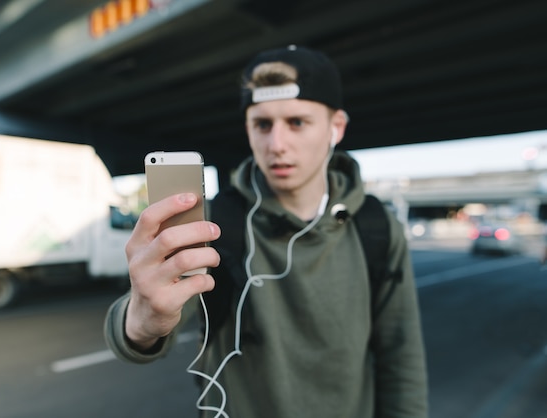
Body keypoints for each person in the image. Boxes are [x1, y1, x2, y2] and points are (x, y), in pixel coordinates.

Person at [104, 45, 428, 418]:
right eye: (262, 124)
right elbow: (144, 334)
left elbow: (401, 359)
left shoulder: (375, 226)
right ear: (248, 128)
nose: (276, 144)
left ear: (335, 127)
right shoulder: (215, 222)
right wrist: (142, 318)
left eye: (297, 122)